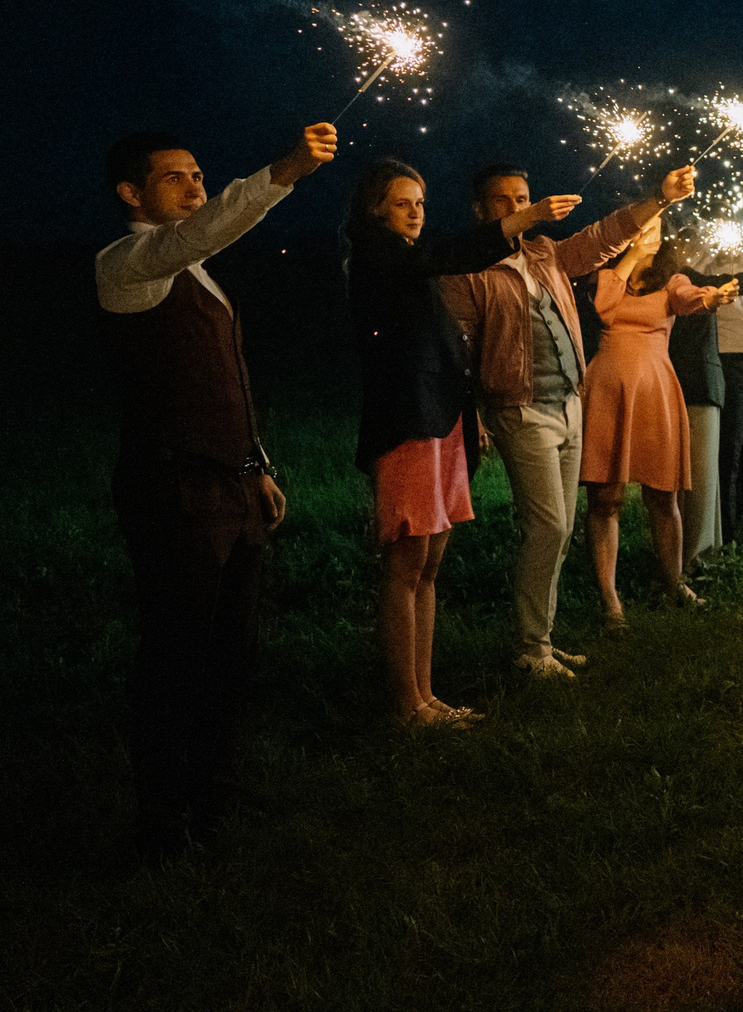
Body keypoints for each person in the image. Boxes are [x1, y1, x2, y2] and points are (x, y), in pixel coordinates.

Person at [96, 121, 339, 855]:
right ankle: (163, 825)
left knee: (233, 654)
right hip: (172, 490)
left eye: (201, 173)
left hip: (231, 490)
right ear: (130, 193)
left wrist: (256, 464)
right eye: (177, 177)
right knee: (176, 656)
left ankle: (217, 803)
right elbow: (196, 236)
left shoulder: (196, 267)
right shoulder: (128, 261)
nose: (197, 186)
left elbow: (225, 382)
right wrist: (287, 169)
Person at [440, 160, 698, 680]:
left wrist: (660, 199)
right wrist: (474, 416)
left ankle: (542, 643)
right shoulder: (465, 269)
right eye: (505, 200)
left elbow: (604, 236)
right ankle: (531, 650)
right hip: (519, 407)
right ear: (479, 209)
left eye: (524, 197)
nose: (519, 208)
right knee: (549, 525)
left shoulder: (545, 254)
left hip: (569, 403)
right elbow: (458, 348)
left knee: (557, 530)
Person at [346, 159, 578, 727]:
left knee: (428, 565)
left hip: (442, 421)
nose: (415, 214)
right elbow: (445, 257)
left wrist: (467, 415)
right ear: (375, 208)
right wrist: (517, 222)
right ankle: (408, 704)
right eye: (403, 204)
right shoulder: (377, 254)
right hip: (408, 424)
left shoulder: (409, 260)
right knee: (407, 564)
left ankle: (425, 698)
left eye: (421, 204)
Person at [582, 218, 743, 626]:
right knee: (606, 499)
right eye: (639, 226)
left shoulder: (671, 279)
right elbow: (603, 307)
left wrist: (713, 298)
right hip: (607, 391)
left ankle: (674, 584)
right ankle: (610, 598)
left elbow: (689, 298)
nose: (645, 233)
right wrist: (632, 254)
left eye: (653, 227)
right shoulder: (607, 274)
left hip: (654, 390)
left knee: (663, 494)